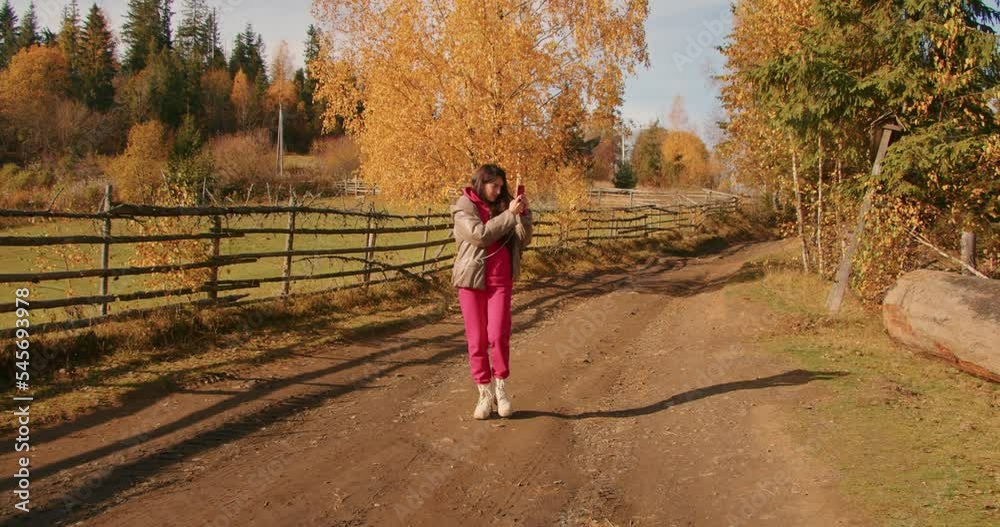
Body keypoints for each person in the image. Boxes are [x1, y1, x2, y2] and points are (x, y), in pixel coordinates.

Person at [450, 164, 533, 419]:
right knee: (476, 340)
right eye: (493, 186)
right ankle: (484, 394)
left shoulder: (506, 205)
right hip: (471, 281)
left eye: (501, 186)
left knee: (498, 336)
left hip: (500, 281)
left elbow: (524, 239)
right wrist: (509, 215)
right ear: (481, 182)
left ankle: (501, 389)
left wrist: (524, 214)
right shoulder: (464, 206)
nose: (498, 191)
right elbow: (480, 235)